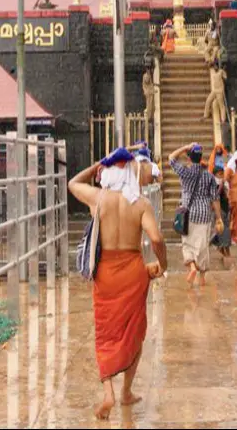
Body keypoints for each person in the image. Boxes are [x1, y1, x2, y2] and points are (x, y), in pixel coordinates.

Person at [66, 148, 166, 420]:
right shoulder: (140, 204)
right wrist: (163, 265)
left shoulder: (98, 199)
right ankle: (126, 392)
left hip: (106, 274)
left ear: (108, 172)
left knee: (105, 333)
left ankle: (108, 392)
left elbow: (73, 183)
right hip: (133, 272)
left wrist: (97, 163)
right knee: (133, 332)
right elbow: (156, 239)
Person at [169, 142, 224, 287]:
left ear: (189, 157)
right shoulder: (209, 176)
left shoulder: (185, 172)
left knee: (187, 244)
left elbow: (171, 158)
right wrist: (219, 218)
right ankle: (202, 278)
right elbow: (215, 199)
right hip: (204, 214)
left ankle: (192, 266)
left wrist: (184, 147)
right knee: (203, 246)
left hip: (189, 214)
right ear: (201, 157)